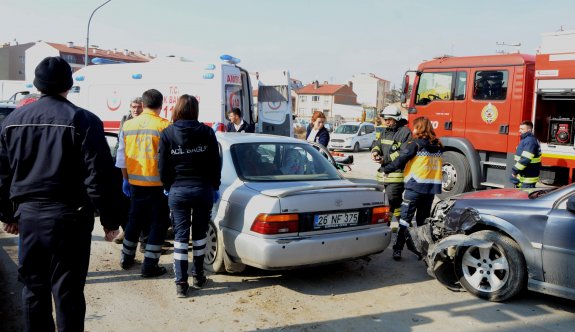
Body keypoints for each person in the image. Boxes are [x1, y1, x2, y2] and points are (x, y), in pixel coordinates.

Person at [0, 56, 121, 331]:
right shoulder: (84, 120)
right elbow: (99, 176)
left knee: (33, 290)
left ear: (38, 84)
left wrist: (8, 213)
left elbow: (3, 175)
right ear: (69, 84)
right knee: (67, 292)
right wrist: (110, 220)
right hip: (71, 219)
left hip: (30, 217)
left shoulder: (13, 121)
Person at [158, 94, 221, 298]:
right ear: (195, 110)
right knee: (200, 235)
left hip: (178, 191)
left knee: (180, 237)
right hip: (203, 190)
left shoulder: (167, 133)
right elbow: (215, 164)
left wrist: (168, 185)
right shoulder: (207, 132)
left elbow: (163, 166)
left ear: (177, 109)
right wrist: (215, 186)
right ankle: (199, 275)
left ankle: (181, 283)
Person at [116, 88, 170, 277]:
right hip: (158, 187)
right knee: (158, 223)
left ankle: (126, 258)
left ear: (144, 104)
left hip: (135, 184)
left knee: (134, 221)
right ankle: (150, 265)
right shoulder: (165, 126)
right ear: (161, 105)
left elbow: (121, 157)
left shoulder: (128, 126)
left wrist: (125, 180)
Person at [382, 116, 443, 261]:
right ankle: (424, 252)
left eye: (415, 126)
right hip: (430, 191)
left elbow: (401, 159)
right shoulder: (439, 145)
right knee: (423, 222)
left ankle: (397, 249)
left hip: (414, 188)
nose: (413, 129)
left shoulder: (415, 144)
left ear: (419, 128)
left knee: (404, 220)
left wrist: (386, 168)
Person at [371, 105, 412, 223]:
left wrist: (385, 159)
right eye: (386, 119)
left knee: (389, 200)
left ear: (397, 119)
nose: (387, 122)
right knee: (396, 201)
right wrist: (375, 152)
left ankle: (386, 224)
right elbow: (377, 143)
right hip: (383, 174)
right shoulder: (384, 131)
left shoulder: (405, 132)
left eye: (389, 119)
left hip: (397, 175)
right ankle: (400, 224)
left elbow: (403, 153)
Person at [113, 97, 143, 244]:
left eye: (138, 107)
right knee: (124, 204)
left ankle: (142, 239)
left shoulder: (146, 121)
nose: (136, 110)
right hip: (126, 167)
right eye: (133, 106)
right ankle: (126, 231)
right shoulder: (125, 119)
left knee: (140, 206)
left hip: (142, 168)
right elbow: (120, 145)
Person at [510, 120, 541, 188]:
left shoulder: (530, 141)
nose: (519, 130)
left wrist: (515, 170)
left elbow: (525, 159)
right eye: (519, 128)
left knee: (525, 196)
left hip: (528, 178)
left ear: (529, 130)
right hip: (525, 175)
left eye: (522, 129)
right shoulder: (526, 139)